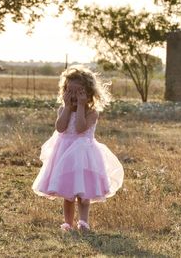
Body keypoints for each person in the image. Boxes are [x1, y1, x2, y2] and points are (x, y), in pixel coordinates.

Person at [32, 65, 124, 232]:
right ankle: (67, 223)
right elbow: (60, 128)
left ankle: (83, 222)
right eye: (70, 92)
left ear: (88, 93)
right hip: (64, 154)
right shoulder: (63, 109)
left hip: (84, 155)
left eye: (79, 92)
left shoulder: (92, 112)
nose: (74, 96)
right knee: (68, 194)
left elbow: (81, 128)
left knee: (84, 193)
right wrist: (67, 107)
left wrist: (81, 106)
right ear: (64, 92)